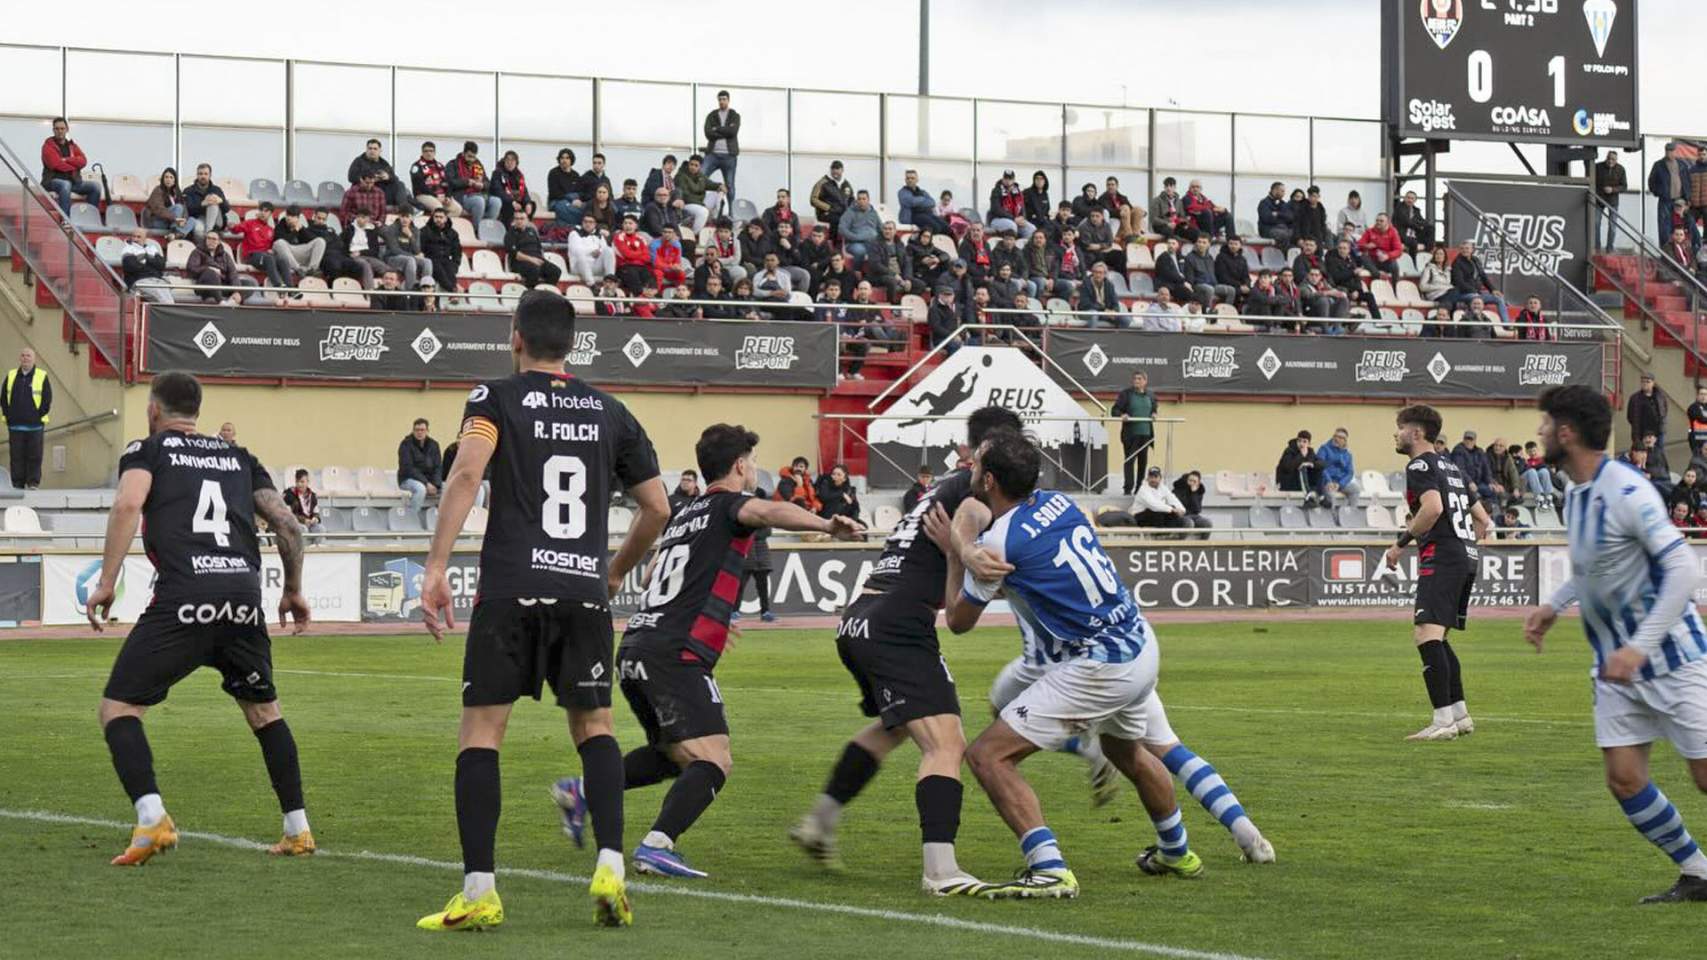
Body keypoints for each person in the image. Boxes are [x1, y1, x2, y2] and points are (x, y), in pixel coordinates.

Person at [417, 290, 669, 932]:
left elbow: (468, 475)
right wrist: (612, 572)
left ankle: (479, 891)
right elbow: (658, 509)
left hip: (510, 587)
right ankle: (610, 864)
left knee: (481, 733)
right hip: (582, 591)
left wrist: (437, 565)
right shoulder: (611, 412)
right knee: (596, 729)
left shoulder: (492, 397)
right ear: (573, 345)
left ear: (515, 337)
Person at [926, 429, 1208, 898]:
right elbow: (980, 517)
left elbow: (957, 621)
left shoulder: (998, 546)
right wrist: (968, 542)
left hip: (1100, 665)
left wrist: (955, 556)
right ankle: (1176, 851)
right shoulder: (1059, 502)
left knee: (987, 756)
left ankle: (1050, 868)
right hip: (1139, 643)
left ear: (990, 479)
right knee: (1128, 752)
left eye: (975, 465)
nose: (969, 470)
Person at [586, 425, 865, 879]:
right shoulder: (730, 504)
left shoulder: (684, 514)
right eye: (751, 461)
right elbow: (770, 511)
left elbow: (655, 570)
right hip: (675, 654)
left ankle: (584, 793)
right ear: (739, 465)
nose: (753, 468)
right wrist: (825, 523)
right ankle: (658, 845)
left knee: (672, 755)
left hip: (638, 645)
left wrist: (709, 615)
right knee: (714, 760)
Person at [791, 407, 1024, 897]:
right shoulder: (978, 490)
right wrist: (965, 551)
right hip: (897, 622)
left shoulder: (945, 484)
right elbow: (970, 519)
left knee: (894, 726)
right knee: (946, 744)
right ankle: (940, 870)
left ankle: (820, 820)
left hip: (862, 615)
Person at [86, 372, 311, 865]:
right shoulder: (238, 456)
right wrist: (292, 588)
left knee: (118, 709)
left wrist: (107, 580)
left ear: (154, 410)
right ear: (199, 411)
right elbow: (288, 523)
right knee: (264, 712)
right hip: (242, 596)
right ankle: (298, 829)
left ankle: (152, 819)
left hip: (185, 594)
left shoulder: (148, 449)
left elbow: (128, 502)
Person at [1523, 384, 1707, 903]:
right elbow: (1594, 568)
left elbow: (1680, 570)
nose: (1538, 434)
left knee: (1703, 776)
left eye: (1544, 425)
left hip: (1672, 659)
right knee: (1624, 778)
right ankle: (1698, 872)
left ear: (1566, 433)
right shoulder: (1578, 493)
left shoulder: (1627, 491)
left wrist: (1640, 646)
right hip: (1616, 668)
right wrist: (1553, 606)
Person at [1384, 404, 1492, 742]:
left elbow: (1432, 508)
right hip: (1463, 556)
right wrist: (1465, 545)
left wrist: (1400, 544)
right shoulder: (1453, 466)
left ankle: (1442, 719)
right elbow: (1483, 519)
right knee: (1439, 637)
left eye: (1400, 428)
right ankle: (1459, 715)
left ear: (1416, 433)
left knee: (1425, 635)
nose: (1396, 434)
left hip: (1442, 556)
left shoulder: (1419, 464)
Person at [2, 349, 52, 489]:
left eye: (28, 356)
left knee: (34, 456)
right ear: (20, 358)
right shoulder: (11, 375)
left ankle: (33, 482)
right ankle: (17, 483)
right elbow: (4, 398)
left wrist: (37, 415)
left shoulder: (42, 376)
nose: (25, 358)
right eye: (23, 355)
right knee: (16, 457)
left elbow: (47, 399)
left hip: (35, 426)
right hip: (15, 425)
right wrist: (9, 415)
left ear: (34, 359)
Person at [1110, 371, 1157, 496]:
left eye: (1140, 379)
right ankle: (1127, 489)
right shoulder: (1126, 394)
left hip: (1146, 434)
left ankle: (1139, 488)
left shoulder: (1150, 395)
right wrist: (1122, 414)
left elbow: (1154, 409)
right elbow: (1114, 410)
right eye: (1135, 379)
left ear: (1145, 381)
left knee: (1143, 462)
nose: (1136, 381)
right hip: (1131, 435)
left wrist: (1154, 414)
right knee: (1130, 461)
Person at [40, 117, 101, 214]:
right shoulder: (47, 146)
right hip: (52, 181)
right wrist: (75, 165)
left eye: (62, 128)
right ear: (53, 130)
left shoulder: (72, 146)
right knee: (65, 185)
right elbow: (56, 165)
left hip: (73, 181)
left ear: (67, 129)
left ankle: (89, 216)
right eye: (57, 129)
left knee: (95, 186)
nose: (60, 131)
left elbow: (83, 161)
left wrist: (66, 159)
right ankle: (66, 221)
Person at [348, 138, 414, 213]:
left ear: (380, 151)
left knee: (400, 184)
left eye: (375, 149)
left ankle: (404, 211)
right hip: (366, 191)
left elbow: (395, 178)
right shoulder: (359, 161)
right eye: (370, 148)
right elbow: (351, 177)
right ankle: (408, 209)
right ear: (366, 149)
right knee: (406, 196)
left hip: (383, 191)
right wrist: (371, 179)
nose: (372, 151)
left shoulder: (383, 163)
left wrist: (388, 177)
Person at [1649, 142, 1691, 247]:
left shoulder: (1682, 165)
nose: (1669, 153)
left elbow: (1687, 181)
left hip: (1680, 201)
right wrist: (1658, 192)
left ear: (1675, 151)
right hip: (1665, 200)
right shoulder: (1658, 165)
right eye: (1668, 151)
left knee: (1679, 227)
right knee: (1664, 227)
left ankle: (1679, 253)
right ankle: (1665, 253)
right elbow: (1651, 181)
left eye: (1672, 151)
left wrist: (1687, 198)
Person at [701, 90, 740, 200]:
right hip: (712, 154)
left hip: (729, 155)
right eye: (720, 100)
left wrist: (717, 129)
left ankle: (731, 212)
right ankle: (700, 203)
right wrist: (726, 131)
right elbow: (708, 133)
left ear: (728, 100)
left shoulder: (734, 115)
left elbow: (733, 132)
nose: (722, 102)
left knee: (730, 184)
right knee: (699, 178)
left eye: (724, 99)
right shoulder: (712, 115)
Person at [397, 418, 442, 513]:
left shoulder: (434, 445)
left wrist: (436, 485)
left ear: (427, 431)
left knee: (449, 489)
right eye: (417, 430)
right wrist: (426, 483)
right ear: (413, 431)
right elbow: (408, 468)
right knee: (420, 489)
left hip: (430, 481)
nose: (419, 433)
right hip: (407, 480)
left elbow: (438, 467)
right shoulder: (406, 445)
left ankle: (441, 519)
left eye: (422, 430)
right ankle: (411, 518)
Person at [505, 211, 561, 288]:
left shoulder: (532, 231)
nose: (519, 221)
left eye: (522, 219)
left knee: (555, 271)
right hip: (520, 262)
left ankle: (546, 292)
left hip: (537, 260)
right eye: (517, 219)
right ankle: (531, 294)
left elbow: (539, 248)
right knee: (534, 270)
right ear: (514, 220)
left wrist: (541, 260)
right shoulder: (510, 234)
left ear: (527, 220)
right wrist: (532, 260)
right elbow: (515, 254)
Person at [1276, 430, 1327, 506]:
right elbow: (1288, 467)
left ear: (1309, 443)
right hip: (1289, 483)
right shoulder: (1289, 451)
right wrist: (1301, 456)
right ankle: (1307, 498)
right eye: (1299, 441)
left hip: (1303, 483)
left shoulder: (1310, 452)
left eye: (1304, 441)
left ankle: (1322, 497)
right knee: (1302, 468)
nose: (1301, 444)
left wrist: (1312, 464)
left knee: (1319, 469)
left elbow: (1323, 463)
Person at [409, 141, 460, 216]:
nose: (428, 153)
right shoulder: (416, 166)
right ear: (422, 152)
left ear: (434, 152)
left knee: (457, 209)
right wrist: (435, 196)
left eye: (431, 151)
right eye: (426, 151)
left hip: (441, 195)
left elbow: (447, 183)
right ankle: (435, 225)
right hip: (423, 195)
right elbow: (420, 186)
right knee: (438, 208)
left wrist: (448, 196)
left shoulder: (440, 166)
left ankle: (444, 225)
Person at [143, 167, 196, 239]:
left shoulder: (177, 192)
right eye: (166, 177)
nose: (168, 179)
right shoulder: (158, 190)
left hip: (171, 222)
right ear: (163, 179)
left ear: (175, 180)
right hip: (156, 221)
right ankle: (176, 232)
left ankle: (175, 235)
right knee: (178, 207)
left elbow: (184, 210)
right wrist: (175, 219)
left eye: (171, 177)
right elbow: (159, 209)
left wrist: (184, 220)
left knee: (192, 220)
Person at [1318, 427, 1362, 508]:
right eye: (1335, 436)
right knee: (1331, 495)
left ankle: (1350, 514)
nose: (1336, 439)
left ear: (1345, 441)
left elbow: (1350, 472)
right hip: (1326, 482)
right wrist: (1329, 481)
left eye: (1340, 437)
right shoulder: (1324, 449)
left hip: (1339, 483)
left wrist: (1340, 484)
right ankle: (1333, 519)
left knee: (1355, 489)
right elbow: (1320, 467)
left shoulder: (1347, 454)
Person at [182, 164, 231, 236]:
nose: (203, 176)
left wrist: (221, 201)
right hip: (198, 218)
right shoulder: (189, 190)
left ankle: (208, 232)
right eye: (200, 174)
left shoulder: (217, 189)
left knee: (213, 203)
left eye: (205, 174)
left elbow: (227, 209)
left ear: (210, 175)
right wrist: (203, 203)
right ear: (197, 175)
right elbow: (189, 210)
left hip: (216, 219)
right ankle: (206, 239)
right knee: (198, 229)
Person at [1594, 150, 1627, 251]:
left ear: (1616, 160)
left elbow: (1624, 186)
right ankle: (1597, 247)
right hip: (1599, 199)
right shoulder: (1598, 167)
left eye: (1613, 159)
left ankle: (1610, 248)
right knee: (1596, 223)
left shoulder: (1621, 169)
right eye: (1609, 158)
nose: (1610, 161)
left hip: (1613, 201)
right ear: (1606, 157)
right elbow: (1591, 180)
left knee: (1612, 226)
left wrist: (1613, 189)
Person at [810, 161, 854, 238]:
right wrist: (829, 207)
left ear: (842, 170)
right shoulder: (822, 183)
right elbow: (813, 199)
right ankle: (833, 244)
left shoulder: (846, 184)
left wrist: (852, 210)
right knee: (838, 220)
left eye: (837, 169)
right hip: (826, 214)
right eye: (833, 169)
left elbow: (851, 199)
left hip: (842, 213)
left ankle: (849, 244)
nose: (835, 171)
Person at [897, 169, 948, 234]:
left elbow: (932, 202)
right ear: (905, 180)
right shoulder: (902, 192)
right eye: (908, 178)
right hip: (912, 217)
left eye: (912, 178)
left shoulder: (922, 192)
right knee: (936, 228)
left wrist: (918, 202)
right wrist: (923, 199)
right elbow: (911, 202)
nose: (910, 180)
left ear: (917, 180)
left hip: (927, 214)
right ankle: (924, 242)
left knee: (946, 227)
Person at [1358, 212, 1404, 283]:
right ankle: (1378, 275)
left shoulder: (1393, 232)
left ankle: (1395, 288)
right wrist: (1367, 246)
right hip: (1372, 261)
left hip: (1386, 261)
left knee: (1394, 264)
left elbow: (1399, 250)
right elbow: (1358, 245)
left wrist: (1387, 256)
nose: (1378, 222)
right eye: (1377, 220)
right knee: (1363, 257)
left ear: (1388, 222)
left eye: (1381, 221)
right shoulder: (1369, 231)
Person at [1628, 373, 1668, 451]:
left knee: (1658, 455)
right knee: (1640, 454)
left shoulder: (1660, 396)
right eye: (1643, 382)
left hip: (1657, 433)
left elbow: (1664, 411)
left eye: (1648, 381)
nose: (1645, 384)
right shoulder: (1635, 398)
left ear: (1653, 383)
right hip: (1640, 433)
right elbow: (1630, 416)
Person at [547, 148, 583, 226]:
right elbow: (554, 193)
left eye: (567, 158)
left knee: (584, 208)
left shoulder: (576, 175)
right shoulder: (553, 173)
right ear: (559, 160)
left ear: (571, 160)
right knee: (565, 207)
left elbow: (579, 191)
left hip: (572, 201)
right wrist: (570, 199)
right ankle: (577, 225)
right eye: (562, 158)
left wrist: (577, 200)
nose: (564, 160)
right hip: (556, 201)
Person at [1170, 471, 1214, 536]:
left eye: (1194, 481)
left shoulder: (1198, 492)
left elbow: (1197, 509)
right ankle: (1182, 543)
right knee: (1189, 522)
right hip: (1180, 516)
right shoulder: (1178, 489)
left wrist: (1194, 494)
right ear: (1187, 480)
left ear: (1198, 483)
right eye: (1190, 480)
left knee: (1207, 523)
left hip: (1194, 516)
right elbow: (1176, 505)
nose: (1192, 483)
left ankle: (1203, 544)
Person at [283, 468, 323, 535]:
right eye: (297, 482)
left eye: (302, 482)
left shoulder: (312, 496)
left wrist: (315, 518)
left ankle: (316, 545)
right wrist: (303, 520)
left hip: (309, 523)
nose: (299, 484)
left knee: (321, 529)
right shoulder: (289, 495)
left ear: (307, 481)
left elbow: (316, 512)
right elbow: (288, 515)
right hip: (295, 523)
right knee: (303, 529)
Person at [1256, 181, 1294, 249]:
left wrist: (1277, 214)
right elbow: (1267, 218)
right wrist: (1282, 218)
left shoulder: (1283, 203)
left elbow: (1290, 217)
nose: (1284, 193)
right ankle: (1283, 254)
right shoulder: (1264, 203)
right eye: (1282, 191)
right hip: (1268, 229)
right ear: (1275, 190)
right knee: (1284, 235)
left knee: (1295, 233)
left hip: (1282, 228)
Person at [1392, 191, 1431, 256]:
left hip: (1414, 234)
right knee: (1413, 243)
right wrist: (1419, 226)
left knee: (1430, 228)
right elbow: (1407, 221)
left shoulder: (1416, 210)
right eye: (1408, 198)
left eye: (1412, 198)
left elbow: (1423, 222)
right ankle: (1414, 261)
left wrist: (1421, 225)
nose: (1410, 200)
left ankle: (1428, 248)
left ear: (1415, 200)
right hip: (1403, 235)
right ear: (1404, 198)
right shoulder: (1399, 208)